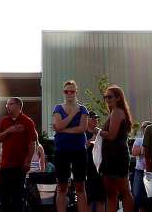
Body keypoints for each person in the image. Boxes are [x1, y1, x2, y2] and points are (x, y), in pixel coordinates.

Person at [53, 81, 91, 212]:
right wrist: (73, 114)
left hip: (79, 150)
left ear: (76, 92)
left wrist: (62, 129)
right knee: (61, 187)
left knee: (80, 186)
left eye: (72, 91)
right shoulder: (58, 108)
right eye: (66, 91)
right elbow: (57, 126)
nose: (69, 93)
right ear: (63, 93)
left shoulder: (83, 109)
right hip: (61, 151)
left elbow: (82, 129)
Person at [0, 97, 38, 212]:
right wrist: (9, 131)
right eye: (6, 104)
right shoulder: (4, 121)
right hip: (5, 166)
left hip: (19, 166)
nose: (7, 106)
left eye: (10, 104)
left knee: (17, 198)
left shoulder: (27, 121)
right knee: (4, 198)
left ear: (19, 106)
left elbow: (32, 143)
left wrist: (28, 161)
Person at [99, 86, 136, 212]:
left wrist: (98, 131)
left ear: (118, 97)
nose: (107, 99)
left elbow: (111, 135)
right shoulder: (113, 112)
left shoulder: (117, 111)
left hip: (118, 156)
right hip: (109, 156)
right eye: (105, 97)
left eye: (110, 96)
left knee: (124, 191)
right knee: (110, 193)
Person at [130, 121, 151, 212]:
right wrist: (144, 147)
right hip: (140, 170)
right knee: (138, 195)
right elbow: (134, 152)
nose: (145, 128)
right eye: (143, 127)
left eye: (147, 126)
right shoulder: (139, 140)